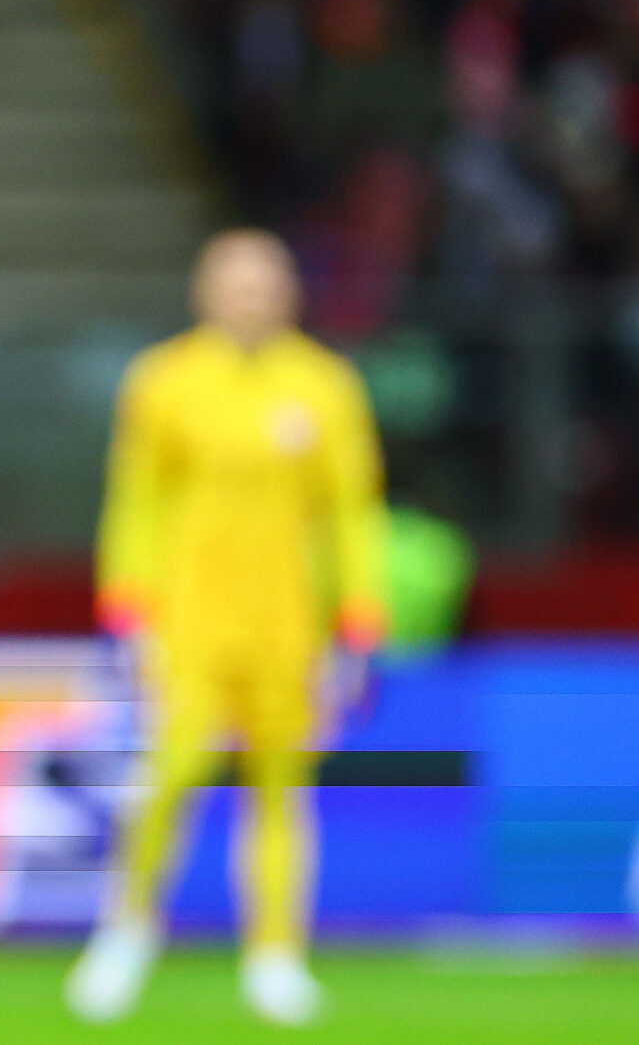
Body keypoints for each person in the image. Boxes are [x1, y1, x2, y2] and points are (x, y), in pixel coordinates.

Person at [68, 228, 387, 1026]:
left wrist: (359, 614)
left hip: (288, 619)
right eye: (236, 285)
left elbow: (351, 512)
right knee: (171, 774)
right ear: (204, 293)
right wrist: (126, 603)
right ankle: (127, 929)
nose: (252, 299)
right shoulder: (164, 380)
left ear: (290, 295)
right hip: (190, 616)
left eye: (266, 285)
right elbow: (136, 499)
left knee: (283, 788)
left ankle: (276, 954)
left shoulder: (325, 386)